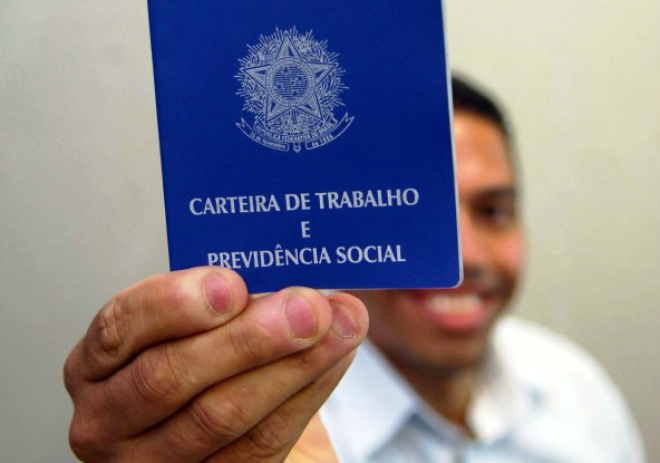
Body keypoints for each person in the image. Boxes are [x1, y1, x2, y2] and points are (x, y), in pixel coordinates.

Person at [64, 77, 645, 463]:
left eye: (494, 211)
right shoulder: (249, 433)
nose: (465, 254)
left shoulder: (580, 392)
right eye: (422, 210)